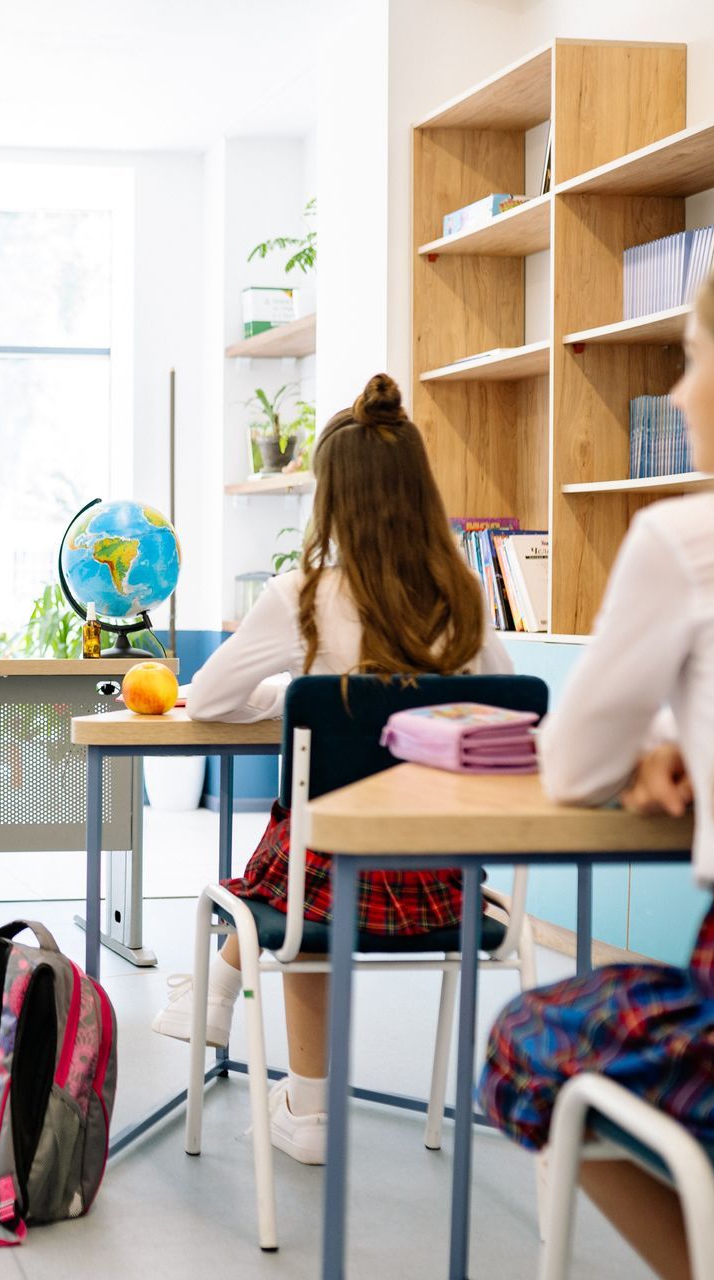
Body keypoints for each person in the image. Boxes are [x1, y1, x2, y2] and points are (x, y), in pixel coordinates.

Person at [478, 230, 714, 1280]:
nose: (675, 395)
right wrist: (687, 732)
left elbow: (577, 766)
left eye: (689, 359)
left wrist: (649, 746)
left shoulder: (691, 536)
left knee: (528, 1042)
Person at [160, 372, 512, 1164]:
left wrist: (297, 695)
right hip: (443, 882)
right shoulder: (464, 596)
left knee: (307, 849)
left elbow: (211, 695)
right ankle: (223, 1009)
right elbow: (506, 708)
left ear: (331, 500)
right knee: (315, 849)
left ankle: (306, 1106)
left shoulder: (305, 595)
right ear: (420, 493)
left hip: (320, 885)